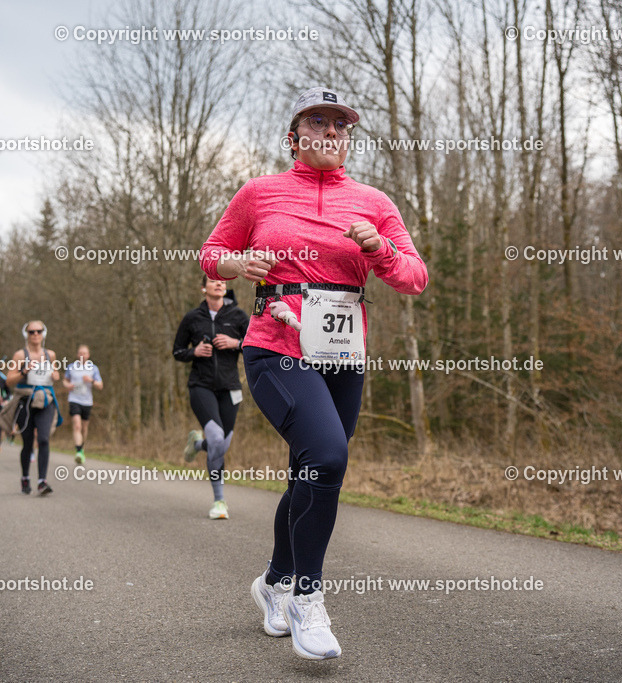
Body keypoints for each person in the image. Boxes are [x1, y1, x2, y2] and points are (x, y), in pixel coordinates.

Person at [200, 86, 427, 660]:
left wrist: (379, 250)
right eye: (317, 122)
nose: (330, 131)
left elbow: (414, 277)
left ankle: (274, 581)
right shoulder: (260, 193)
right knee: (326, 456)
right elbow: (211, 254)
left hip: (343, 356)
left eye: (340, 124)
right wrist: (237, 262)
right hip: (276, 347)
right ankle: (307, 598)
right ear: (293, 137)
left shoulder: (373, 202)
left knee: (313, 471)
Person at [173, 276, 248, 519]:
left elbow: (255, 344)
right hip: (201, 386)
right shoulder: (192, 317)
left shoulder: (238, 316)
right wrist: (194, 351)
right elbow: (177, 351)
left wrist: (235, 342)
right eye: (213, 281)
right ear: (203, 287)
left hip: (230, 387)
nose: (219, 284)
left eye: (222, 281)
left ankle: (197, 444)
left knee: (221, 445)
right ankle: (219, 501)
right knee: (215, 438)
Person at [6, 321, 61, 496]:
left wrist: (56, 375)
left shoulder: (50, 354)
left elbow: (55, 374)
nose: (35, 334)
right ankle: (25, 477)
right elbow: (9, 380)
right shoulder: (20, 355)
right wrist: (23, 372)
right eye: (31, 332)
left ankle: (42, 481)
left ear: (44, 333)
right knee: (28, 443)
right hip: (25, 401)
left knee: (43, 439)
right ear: (26, 334)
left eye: (39, 331)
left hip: (45, 400)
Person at [63, 345, 103, 465]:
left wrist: (91, 380)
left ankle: (81, 447)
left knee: (84, 428)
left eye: (84, 353)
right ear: (77, 354)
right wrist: (68, 385)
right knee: (77, 426)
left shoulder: (93, 368)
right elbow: (65, 380)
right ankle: (79, 451)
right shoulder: (71, 367)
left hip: (87, 401)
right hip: (74, 399)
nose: (82, 355)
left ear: (88, 355)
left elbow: (100, 386)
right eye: (80, 353)